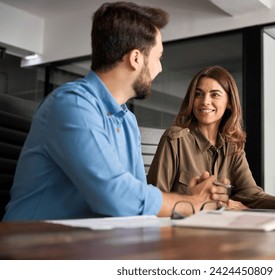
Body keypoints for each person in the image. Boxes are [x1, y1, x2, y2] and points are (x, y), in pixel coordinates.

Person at [2, 2, 228, 221]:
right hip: (33, 245)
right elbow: (115, 196)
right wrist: (191, 205)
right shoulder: (72, 104)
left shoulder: (127, 120)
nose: (159, 68)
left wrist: (186, 197)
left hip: (92, 242)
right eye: (158, 58)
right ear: (136, 58)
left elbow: (135, 196)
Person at [147, 65, 275, 210]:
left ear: (229, 102)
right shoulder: (175, 139)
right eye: (198, 94)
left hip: (221, 229)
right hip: (179, 228)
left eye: (214, 94)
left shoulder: (233, 147)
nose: (205, 101)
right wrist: (210, 205)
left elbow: (251, 194)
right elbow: (154, 200)